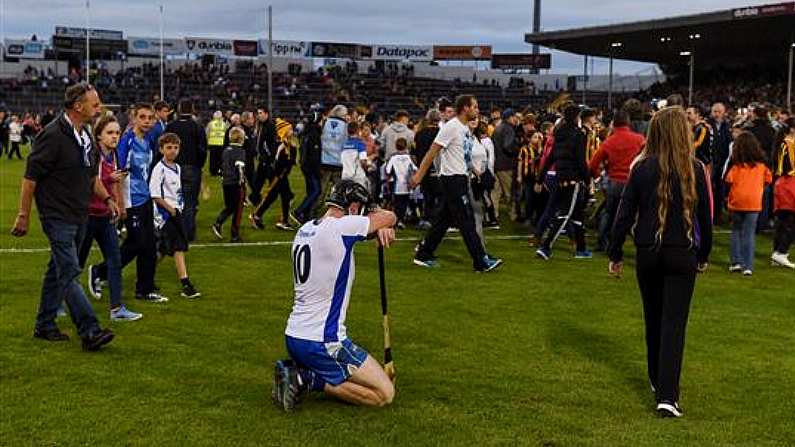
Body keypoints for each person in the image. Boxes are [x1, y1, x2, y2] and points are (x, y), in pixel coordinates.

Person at [608, 106, 713, 418]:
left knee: (654, 319)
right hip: (680, 253)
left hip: (649, 253)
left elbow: (623, 215)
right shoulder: (694, 167)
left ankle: (658, 381)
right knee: (673, 325)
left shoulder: (642, 168)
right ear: (683, 133)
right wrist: (704, 254)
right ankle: (667, 394)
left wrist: (615, 252)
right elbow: (705, 219)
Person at [272, 179, 397, 411]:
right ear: (352, 208)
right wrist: (378, 218)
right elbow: (389, 217)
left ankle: (304, 371)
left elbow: (362, 233)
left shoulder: (306, 229)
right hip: (322, 341)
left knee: (367, 382)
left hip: (294, 335)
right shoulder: (341, 228)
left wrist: (377, 230)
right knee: (383, 394)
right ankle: (305, 379)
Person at [11, 83, 115, 351]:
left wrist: (107, 199)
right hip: (57, 215)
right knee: (69, 272)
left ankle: (44, 324)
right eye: (95, 103)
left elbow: (91, 177)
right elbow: (30, 177)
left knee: (57, 271)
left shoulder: (86, 137)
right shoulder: (53, 135)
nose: (99, 106)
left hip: (80, 213)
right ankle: (90, 331)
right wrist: (23, 214)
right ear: (78, 107)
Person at [410, 95, 502, 272]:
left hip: (460, 177)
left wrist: (475, 172)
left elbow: (463, 155)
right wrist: (419, 175)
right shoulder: (452, 127)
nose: (477, 110)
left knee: (443, 220)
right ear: (465, 108)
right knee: (466, 220)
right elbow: (432, 152)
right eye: (474, 106)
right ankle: (480, 261)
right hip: (452, 179)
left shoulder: (464, 128)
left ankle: (424, 253)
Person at [96, 102, 168, 303]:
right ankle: (101, 272)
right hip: (131, 200)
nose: (147, 121)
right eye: (142, 117)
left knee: (148, 243)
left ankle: (145, 287)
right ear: (134, 118)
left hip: (144, 198)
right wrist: (120, 203)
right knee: (137, 243)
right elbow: (118, 174)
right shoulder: (126, 140)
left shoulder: (146, 141)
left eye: (150, 118)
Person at [80, 115, 142, 321]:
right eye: (110, 132)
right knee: (75, 263)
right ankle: (59, 303)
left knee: (115, 260)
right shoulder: (94, 154)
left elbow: (112, 183)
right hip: (88, 216)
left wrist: (118, 205)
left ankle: (117, 309)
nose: (115, 136)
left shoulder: (113, 155)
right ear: (98, 135)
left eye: (117, 132)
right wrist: (109, 179)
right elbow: (91, 181)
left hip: (105, 216)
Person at [535, 105, 592, 260]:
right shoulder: (578, 134)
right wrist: (587, 179)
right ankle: (546, 247)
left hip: (560, 177)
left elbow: (550, 158)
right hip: (573, 178)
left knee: (577, 214)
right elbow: (581, 160)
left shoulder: (559, 134)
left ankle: (581, 249)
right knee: (566, 214)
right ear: (576, 117)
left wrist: (540, 179)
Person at [149, 132, 201, 299]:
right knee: (178, 248)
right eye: (168, 147)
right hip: (165, 215)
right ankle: (186, 284)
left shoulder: (177, 168)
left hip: (176, 212)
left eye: (175, 147)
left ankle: (145, 276)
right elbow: (155, 194)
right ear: (161, 149)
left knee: (164, 250)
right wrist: (169, 209)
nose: (172, 151)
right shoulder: (159, 169)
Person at [588, 110, 646, 251]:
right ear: (628, 122)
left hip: (614, 182)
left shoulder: (609, 142)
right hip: (633, 182)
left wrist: (597, 176)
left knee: (609, 213)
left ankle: (603, 242)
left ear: (614, 123)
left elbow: (592, 165)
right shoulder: (639, 139)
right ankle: (640, 243)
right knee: (634, 215)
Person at [724, 132, 772, 275]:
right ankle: (748, 266)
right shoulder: (762, 166)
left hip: (737, 201)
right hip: (754, 202)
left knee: (736, 231)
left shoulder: (736, 166)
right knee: (749, 233)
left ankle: (735, 262)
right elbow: (768, 180)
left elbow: (728, 181)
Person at [164, 99, 207, 242]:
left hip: (173, 168)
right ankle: (188, 233)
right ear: (193, 109)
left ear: (178, 109)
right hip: (191, 168)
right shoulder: (197, 127)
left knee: (172, 200)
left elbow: (163, 145)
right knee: (190, 202)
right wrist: (198, 165)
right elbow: (202, 150)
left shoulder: (171, 126)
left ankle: (174, 231)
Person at [250, 119, 297, 231]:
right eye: (289, 129)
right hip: (278, 175)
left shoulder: (288, 143)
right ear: (284, 131)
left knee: (274, 196)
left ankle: (259, 216)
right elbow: (279, 163)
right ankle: (279, 220)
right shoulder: (281, 145)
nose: (292, 131)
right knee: (282, 196)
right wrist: (280, 175)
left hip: (281, 175)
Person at [212, 127, 247, 243]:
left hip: (226, 182)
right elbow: (240, 167)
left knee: (230, 206)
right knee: (238, 209)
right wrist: (242, 182)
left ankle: (218, 222)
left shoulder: (226, 150)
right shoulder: (240, 151)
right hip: (235, 183)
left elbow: (222, 167)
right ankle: (235, 234)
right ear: (241, 138)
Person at [315, 105, 348, 217]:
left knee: (321, 189)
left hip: (324, 161)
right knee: (338, 190)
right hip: (338, 162)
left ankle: (314, 210)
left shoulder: (325, 122)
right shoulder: (345, 126)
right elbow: (346, 143)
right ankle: (335, 212)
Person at [291, 108, 323, 225]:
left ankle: (305, 216)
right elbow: (314, 156)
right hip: (310, 168)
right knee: (316, 190)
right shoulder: (314, 134)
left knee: (311, 191)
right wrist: (317, 171)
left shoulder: (306, 132)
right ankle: (299, 211)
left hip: (305, 166)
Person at [771, 117, 795, 269]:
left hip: (784, 184)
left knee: (783, 221)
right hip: (788, 184)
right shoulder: (787, 144)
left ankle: (776, 254)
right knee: (791, 221)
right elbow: (785, 167)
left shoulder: (784, 143)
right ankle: (781, 252)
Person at [412, 110, 442, 230]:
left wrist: (419, 167)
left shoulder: (419, 134)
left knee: (427, 195)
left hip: (423, 169)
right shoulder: (440, 133)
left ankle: (426, 218)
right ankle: (437, 219)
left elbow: (413, 154)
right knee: (439, 195)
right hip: (436, 168)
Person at [491, 109, 520, 223]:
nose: (516, 119)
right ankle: (513, 215)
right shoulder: (508, 129)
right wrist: (516, 150)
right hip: (506, 165)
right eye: (514, 117)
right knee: (510, 193)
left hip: (496, 164)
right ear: (510, 117)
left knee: (495, 193)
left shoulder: (498, 128)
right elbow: (508, 146)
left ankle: (493, 215)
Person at [385, 137, 418, 228]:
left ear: (396, 146)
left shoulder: (393, 157)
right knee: (405, 203)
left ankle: (398, 220)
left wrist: (388, 181)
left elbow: (387, 170)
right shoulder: (409, 157)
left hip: (396, 185)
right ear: (406, 146)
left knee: (397, 203)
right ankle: (402, 220)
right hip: (408, 185)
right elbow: (416, 169)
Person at [708, 103, 731, 224]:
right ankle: (709, 214)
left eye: (719, 112)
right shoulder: (707, 125)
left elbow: (728, 143)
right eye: (715, 111)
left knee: (720, 190)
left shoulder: (726, 126)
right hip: (710, 162)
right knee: (709, 189)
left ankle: (718, 215)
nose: (716, 114)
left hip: (722, 162)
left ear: (723, 112)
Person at [250, 107, 278, 206]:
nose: (259, 115)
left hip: (267, 158)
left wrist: (270, 157)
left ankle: (256, 198)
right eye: (258, 113)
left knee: (268, 180)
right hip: (263, 157)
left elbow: (272, 144)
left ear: (266, 114)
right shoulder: (261, 125)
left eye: (261, 113)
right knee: (259, 180)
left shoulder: (270, 126)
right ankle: (255, 198)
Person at [340, 121, 369, 188]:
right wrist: (367, 168)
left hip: (345, 176)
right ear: (358, 131)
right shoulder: (360, 144)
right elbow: (363, 161)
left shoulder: (343, 145)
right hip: (358, 178)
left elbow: (341, 161)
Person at [206, 110, 227, 176]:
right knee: (220, 159)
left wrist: (207, 141)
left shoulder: (211, 124)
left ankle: (213, 172)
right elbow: (226, 133)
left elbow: (207, 133)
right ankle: (220, 171)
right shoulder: (224, 124)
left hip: (212, 144)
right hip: (221, 144)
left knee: (213, 159)